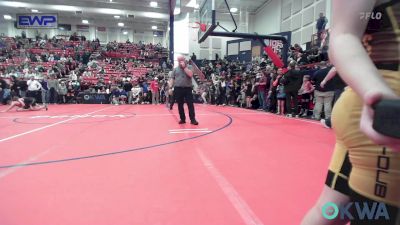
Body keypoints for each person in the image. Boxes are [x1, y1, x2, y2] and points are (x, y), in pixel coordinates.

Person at [302, 0, 400, 225]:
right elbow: (343, 35)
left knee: (332, 210)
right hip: (384, 108)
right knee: (378, 215)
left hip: (373, 104)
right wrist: (377, 97)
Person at [168, 56, 199, 125]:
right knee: (180, 105)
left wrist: (185, 67)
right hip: (178, 88)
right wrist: (170, 88)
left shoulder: (190, 67)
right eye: (179, 61)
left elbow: (190, 74)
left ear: (185, 60)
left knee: (190, 104)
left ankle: (193, 119)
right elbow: (172, 79)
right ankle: (182, 119)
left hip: (188, 88)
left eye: (182, 60)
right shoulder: (175, 69)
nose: (180, 62)